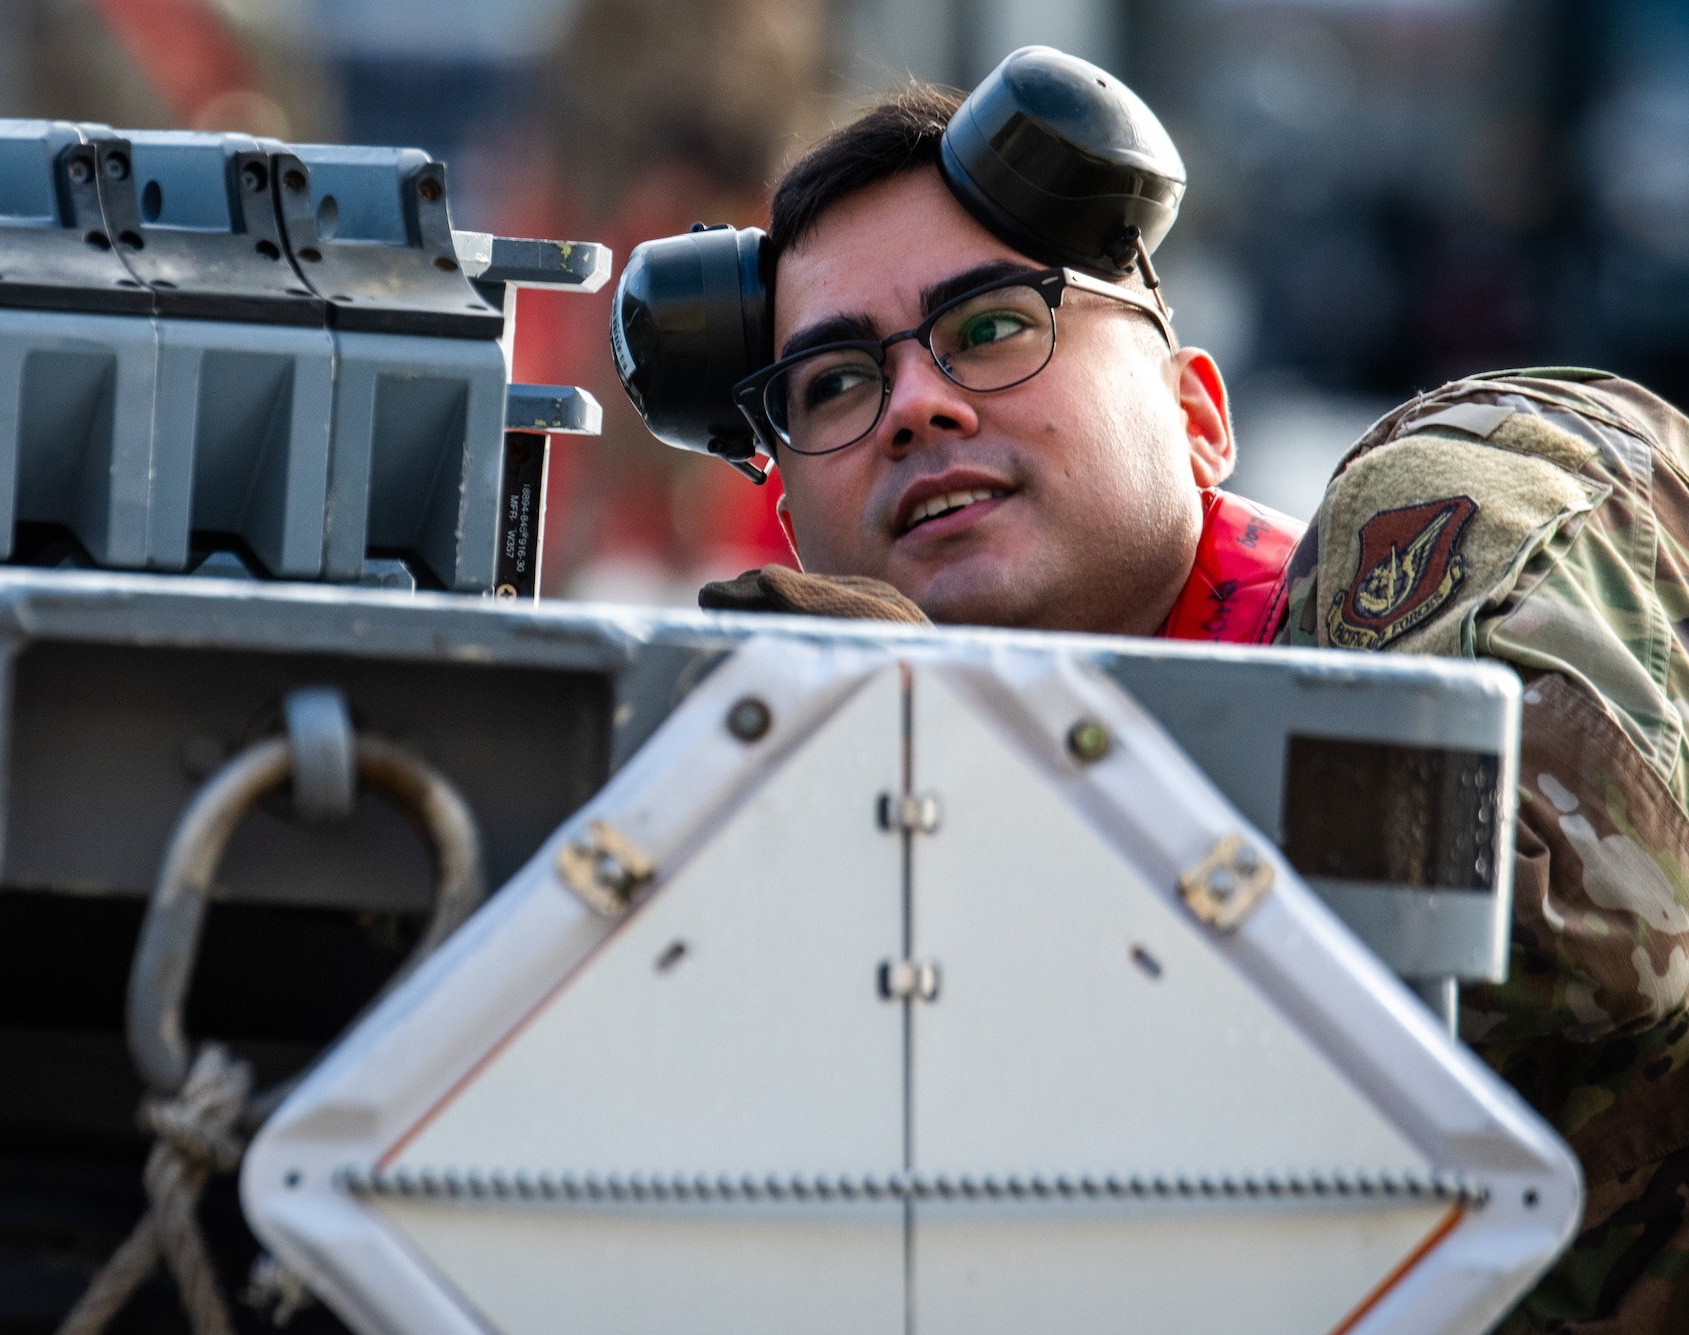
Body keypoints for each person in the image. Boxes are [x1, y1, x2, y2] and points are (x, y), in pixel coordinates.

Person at [684, 73, 1689, 1335]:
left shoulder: (1435, 524)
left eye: (992, 326)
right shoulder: (791, 844)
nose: (913, 407)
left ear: (1195, 414)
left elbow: (1550, 948)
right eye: (831, 385)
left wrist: (980, 768)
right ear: (790, 531)